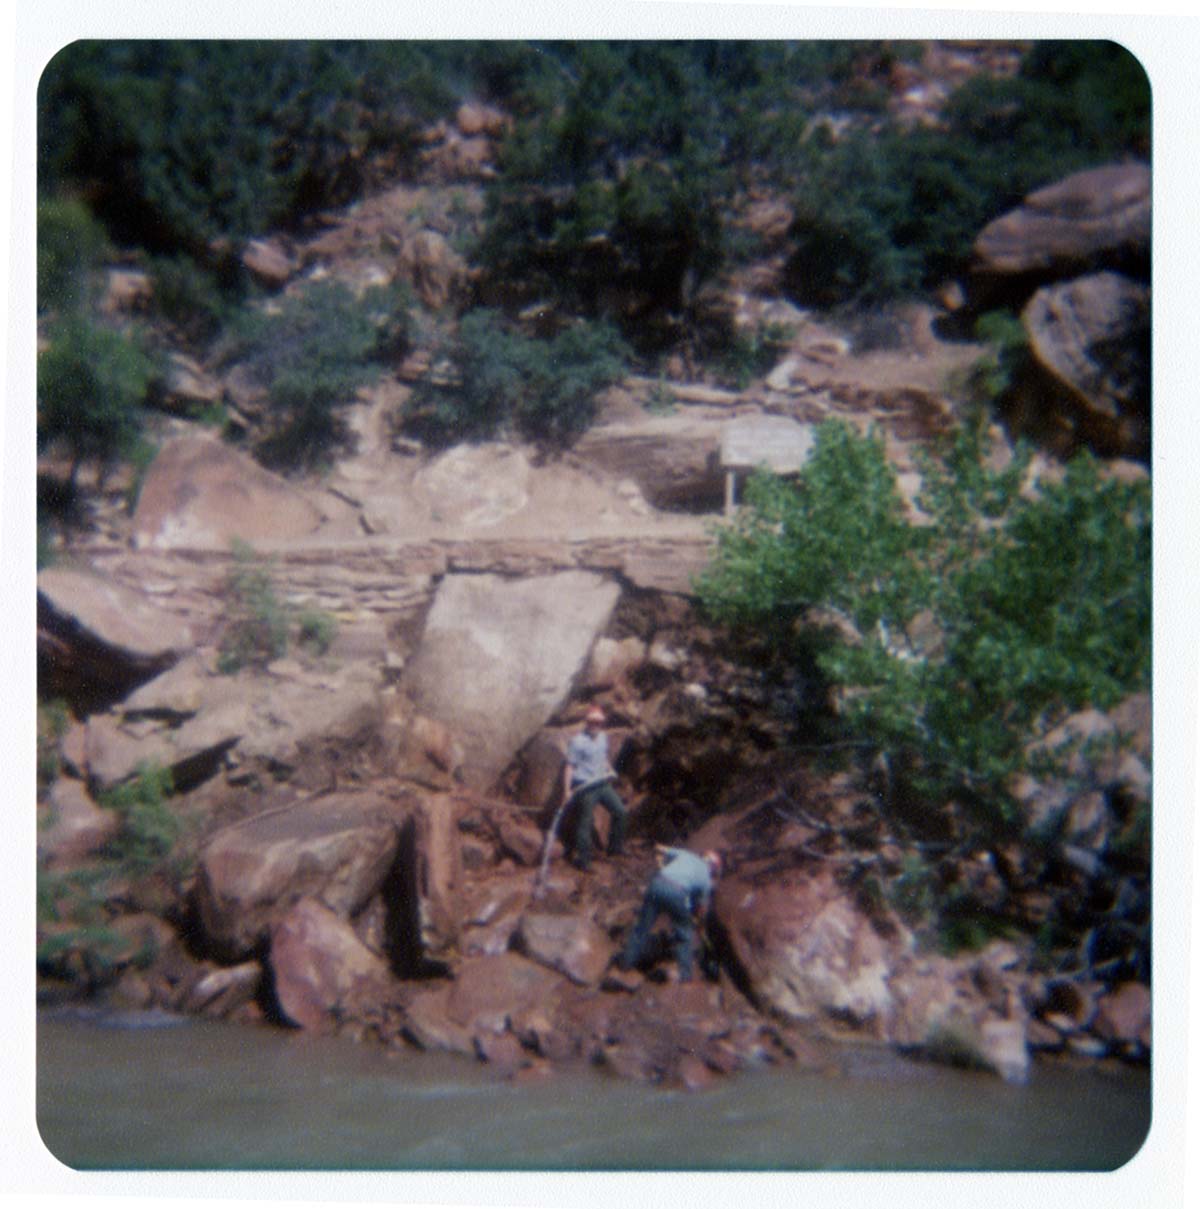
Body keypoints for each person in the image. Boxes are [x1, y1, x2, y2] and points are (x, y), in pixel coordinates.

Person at [618, 846, 722, 982]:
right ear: (713, 868)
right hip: (676, 892)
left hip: (657, 883)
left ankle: (626, 964)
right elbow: (701, 908)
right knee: (684, 935)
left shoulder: (687, 854)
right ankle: (685, 975)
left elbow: (666, 852)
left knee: (641, 928)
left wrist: (668, 865)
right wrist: (696, 918)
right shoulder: (706, 880)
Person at [562, 706, 627, 871]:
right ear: (587, 722)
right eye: (592, 722)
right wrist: (567, 791)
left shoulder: (603, 737)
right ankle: (583, 861)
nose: (595, 725)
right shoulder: (578, 742)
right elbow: (570, 766)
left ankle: (615, 847)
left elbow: (602, 757)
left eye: (598, 722)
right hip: (585, 786)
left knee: (620, 811)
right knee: (585, 822)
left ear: (602, 723)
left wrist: (609, 769)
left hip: (601, 783)